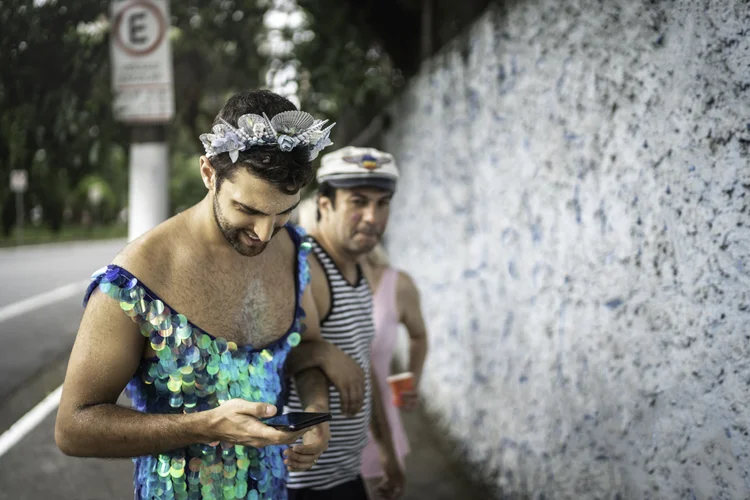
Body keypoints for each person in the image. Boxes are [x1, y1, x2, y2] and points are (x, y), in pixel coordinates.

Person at [54, 89, 336, 500]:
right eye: (249, 210)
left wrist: (314, 408)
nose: (264, 233)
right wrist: (204, 426)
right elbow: (73, 427)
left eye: (283, 212)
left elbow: (304, 350)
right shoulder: (134, 281)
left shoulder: (292, 249)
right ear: (208, 173)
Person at [284, 146, 405, 500]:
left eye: (382, 203)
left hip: (346, 475)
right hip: (303, 483)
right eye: (358, 202)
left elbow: (364, 368)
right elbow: (270, 359)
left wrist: (388, 452)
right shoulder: (309, 268)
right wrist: (320, 352)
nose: (372, 216)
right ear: (325, 205)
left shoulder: (358, 265)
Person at [358, 243, 428, 499]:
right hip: (320, 435)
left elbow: (418, 336)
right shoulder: (310, 281)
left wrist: (411, 383)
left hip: (380, 432)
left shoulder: (397, 284)